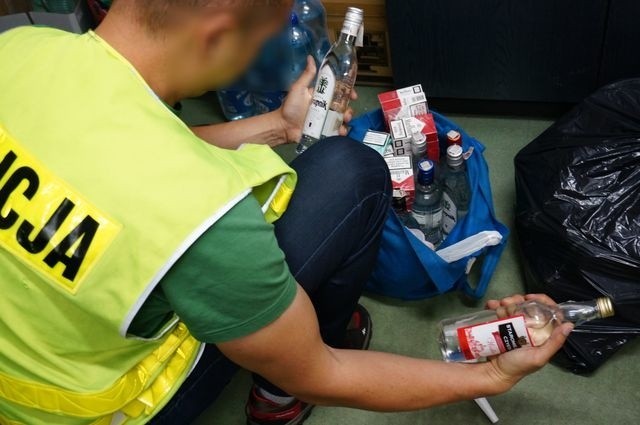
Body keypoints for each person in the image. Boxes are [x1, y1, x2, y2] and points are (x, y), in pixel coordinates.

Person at [0, 1, 574, 424]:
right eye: (267, 38)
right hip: (99, 404)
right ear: (220, 35)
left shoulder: (21, 49)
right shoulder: (204, 220)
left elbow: (126, 139)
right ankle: (275, 403)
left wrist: (281, 125)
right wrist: (489, 375)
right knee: (351, 191)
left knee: (346, 165)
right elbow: (324, 373)